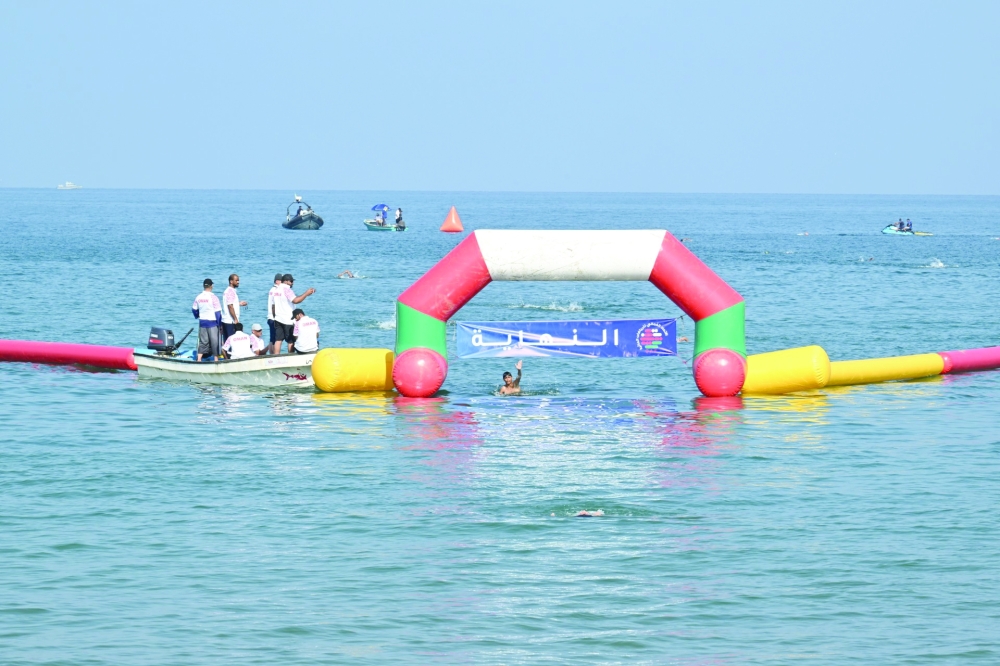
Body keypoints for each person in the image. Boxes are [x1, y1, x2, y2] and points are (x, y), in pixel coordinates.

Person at [270, 273, 316, 354]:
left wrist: (275, 317)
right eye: (291, 281)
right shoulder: (287, 289)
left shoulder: (275, 290)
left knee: (278, 340)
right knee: (291, 341)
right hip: (288, 319)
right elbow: (295, 300)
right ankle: (290, 356)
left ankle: (276, 358)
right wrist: (306, 294)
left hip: (277, 318)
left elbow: (273, 306)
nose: (292, 283)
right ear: (286, 281)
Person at [192, 278, 222, 362]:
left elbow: (194, 310)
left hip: (202, 322)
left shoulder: (198, 297)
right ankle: (216, 359)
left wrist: (197, 315)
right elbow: (218, 313)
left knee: (203, 342)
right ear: (211, 286)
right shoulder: (213, 297)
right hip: (212, 322)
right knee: (214, 342)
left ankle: (199, 359)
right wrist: (220, 325)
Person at [220, 273, 248, 342]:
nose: (238, 282)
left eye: (238, 280)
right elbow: (230, 306)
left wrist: (238, 303)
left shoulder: (228, 291)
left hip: (226, 320)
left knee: (227, 342)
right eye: (236, 280)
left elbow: (230, 303)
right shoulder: (230, 291)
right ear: (231, 281)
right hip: (230, 321)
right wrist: (235, 319)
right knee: (231, 342)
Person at [266, 273, 283, 354]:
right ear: (277, 281)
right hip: (274, 317)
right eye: (281, 281)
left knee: (272, 338)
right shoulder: (275, 290)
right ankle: (273, 355)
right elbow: (275, 305)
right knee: (275, 339)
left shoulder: (271, 290)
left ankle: (271, 354)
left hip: (270, 317)